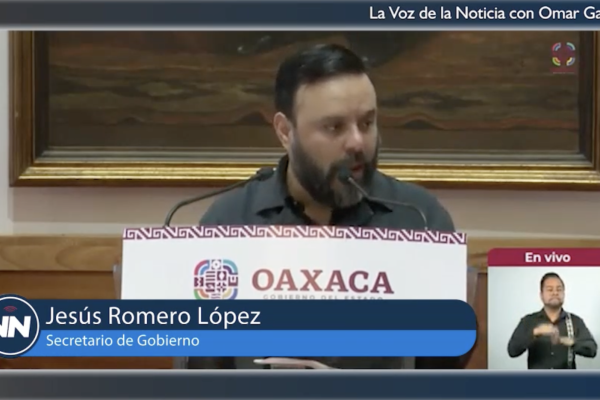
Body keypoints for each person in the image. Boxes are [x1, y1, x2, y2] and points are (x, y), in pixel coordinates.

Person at [184, 43, 468, 369]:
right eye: (334, 127)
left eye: (367, 123)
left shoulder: (418, 218)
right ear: (285, 132)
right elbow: (201, 369)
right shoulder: (229, 221)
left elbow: (442, 371)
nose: (357, 142)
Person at [507, 272, 597, 369]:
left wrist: (570, 342)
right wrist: (534, 333)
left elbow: (592, 350)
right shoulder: (528, 321)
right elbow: (512, 351)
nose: (555, 293)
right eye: (550, 289)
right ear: (541, 295)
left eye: (559, 289)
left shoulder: (575, 321)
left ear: (564, 294)